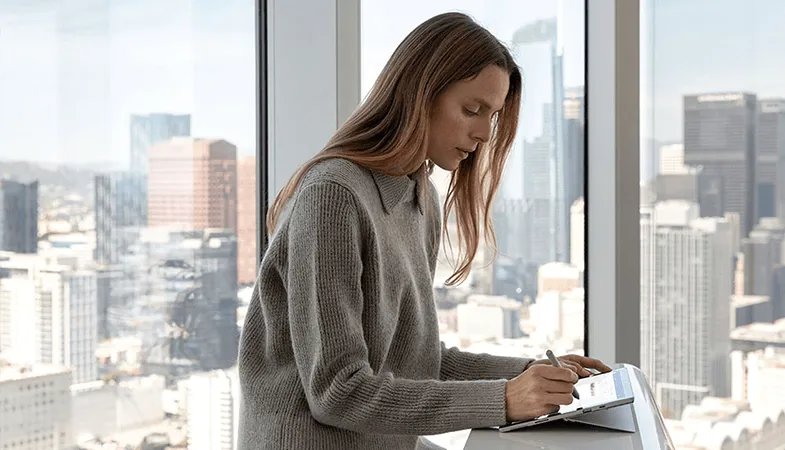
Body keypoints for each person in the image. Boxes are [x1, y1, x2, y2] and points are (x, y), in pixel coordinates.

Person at [237, 11, 611, 450]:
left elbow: (417, 360)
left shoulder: (420, 197)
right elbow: (337, 392)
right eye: (472, 110)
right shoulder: (333, 196)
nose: (484, 134)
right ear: (420, 94)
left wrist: (530, 373)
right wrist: (505, 399)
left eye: (492, 116)